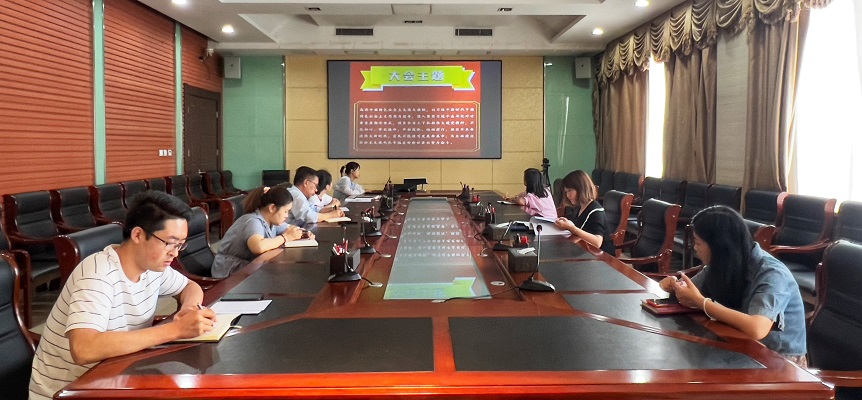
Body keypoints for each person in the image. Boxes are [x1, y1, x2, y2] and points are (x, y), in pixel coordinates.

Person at [29, 191, 216, 400]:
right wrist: (176, 330)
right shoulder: (98, 273)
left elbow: (190, 286)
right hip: (70, 391)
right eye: (169, 243)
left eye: (180, 244)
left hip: (117, 377)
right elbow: (83, 349)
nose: (175, 253)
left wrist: (189, 307)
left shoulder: (152, 267)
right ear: (138, 235)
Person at [659, 205, 807, 366]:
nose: (695, 249)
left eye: (698, 243)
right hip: (737, 343)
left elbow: (757, 328)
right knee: (681, 357)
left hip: (777, 359)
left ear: (718, 245)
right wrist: (676, 287)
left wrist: (701, 302)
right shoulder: (725, 262)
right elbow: (691, 292)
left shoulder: (772, 273)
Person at [212, 185, 312, 278]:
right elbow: (258, 247)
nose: (287, 215)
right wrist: (285, 237)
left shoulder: (272, 221)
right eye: (285, 211)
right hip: (229, 271)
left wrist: (304, 233)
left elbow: (289, 228)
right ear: (272, 208)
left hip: (248, 266)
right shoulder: (253, 221)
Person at [553, 170, 615, 255]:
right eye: (566, 192)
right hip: (585, 252)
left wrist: (572, 228)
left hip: (601, 257)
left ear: (581, 189)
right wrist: (566, 226)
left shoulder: (596, 211)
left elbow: (597, 242)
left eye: (570, 191)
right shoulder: (579, 207)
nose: (568, 195)